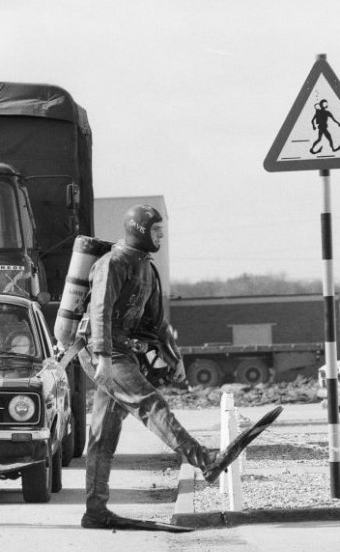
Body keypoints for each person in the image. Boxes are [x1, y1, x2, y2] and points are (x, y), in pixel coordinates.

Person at [79, 205, 280, 530]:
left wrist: (164, 354)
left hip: (123, 351)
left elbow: (153, 322)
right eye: (157, 230)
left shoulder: (146, 268)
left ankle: (95, 511)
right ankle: (207, 462)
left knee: (103, 435)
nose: (161, 236)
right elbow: (100, 309)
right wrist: (102, 356)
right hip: (101, 350)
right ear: (141, 230)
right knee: (150, 403)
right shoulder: (112, 263)